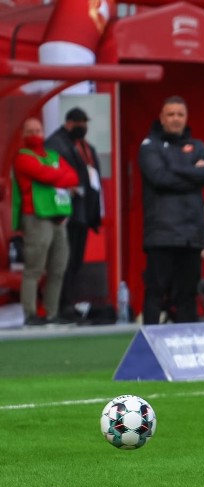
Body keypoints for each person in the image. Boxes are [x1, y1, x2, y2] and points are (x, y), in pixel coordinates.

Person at [138, 96, 204, 324]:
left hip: (191, 235)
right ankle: (149, 345)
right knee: (155, 292)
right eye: (171, 114)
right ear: (161, 118)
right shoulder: (149, 146)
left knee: (188, 294)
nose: (175, 119)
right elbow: (159, 178)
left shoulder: (198, 146)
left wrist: (176, 168)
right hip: (161, 234)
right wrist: (193, 172)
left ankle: (186, 344)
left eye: (180, 115)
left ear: (186, 118)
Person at [11, 117, 79, 326]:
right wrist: (58, 175)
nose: (35, 135)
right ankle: (30, 314)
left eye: (38, 130)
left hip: (58, 216)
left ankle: (51, 313)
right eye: (30, 131)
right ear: (23, 135)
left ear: (44, 132)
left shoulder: (52, 154)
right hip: (36, 216)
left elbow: (74, 177)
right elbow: (45, 174)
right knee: (34, 268)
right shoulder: (22, 157)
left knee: (58, 268)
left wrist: (55, 176)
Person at [45, 107, 103, 318]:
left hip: (83, 212)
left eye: (85, 124)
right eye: (80, 124)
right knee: (63, 261)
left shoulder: (85, 147)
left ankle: (68, 302)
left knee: (75, 260)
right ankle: (60, 305)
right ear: (69, 123)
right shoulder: (55, 144)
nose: (83, 128)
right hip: (66, 212)